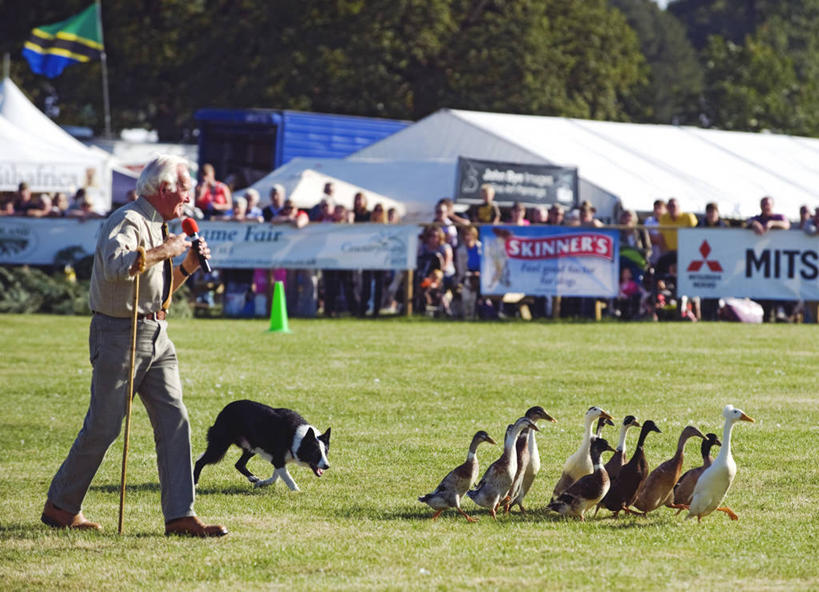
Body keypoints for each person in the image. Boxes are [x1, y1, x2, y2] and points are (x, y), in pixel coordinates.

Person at [41, 154, 227, 538]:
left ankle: (180, 516)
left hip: (156, 334)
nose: (190, 195)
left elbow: (154, 297)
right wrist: (165, 250)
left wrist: (187, 266)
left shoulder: (161, 227)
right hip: (119, 336)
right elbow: (116, 266)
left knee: (176, 420)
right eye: (184, 187)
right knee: (104, 427)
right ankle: (61, 506)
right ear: (163, 188)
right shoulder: (128, 220)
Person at [747, 196, 792, 321]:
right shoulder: (757, 218)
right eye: (763, 204)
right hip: (760, 261)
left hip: (777, 261)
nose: (766, 206)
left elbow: (786, 225)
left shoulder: (778, 217)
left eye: (768, 204)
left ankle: (780, 313)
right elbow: (747, 222)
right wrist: (754, 224)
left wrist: (771, 224)